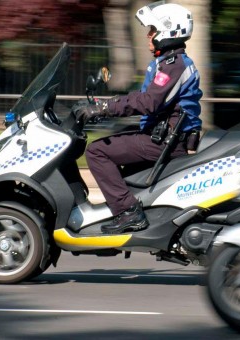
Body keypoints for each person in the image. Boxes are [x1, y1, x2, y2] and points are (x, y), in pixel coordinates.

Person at [75, 1, 202, 234]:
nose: (148, 36)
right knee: (117, 156)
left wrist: (105, 107)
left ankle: (130, 213)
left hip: (166, 142)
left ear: (168, 31)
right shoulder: (168, 63)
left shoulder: (175, 65)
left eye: (152, 31)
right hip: (162, 137)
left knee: (97, 151)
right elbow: (145, 99)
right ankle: (132, 210)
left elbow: (148, 102)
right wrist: (107, 105)